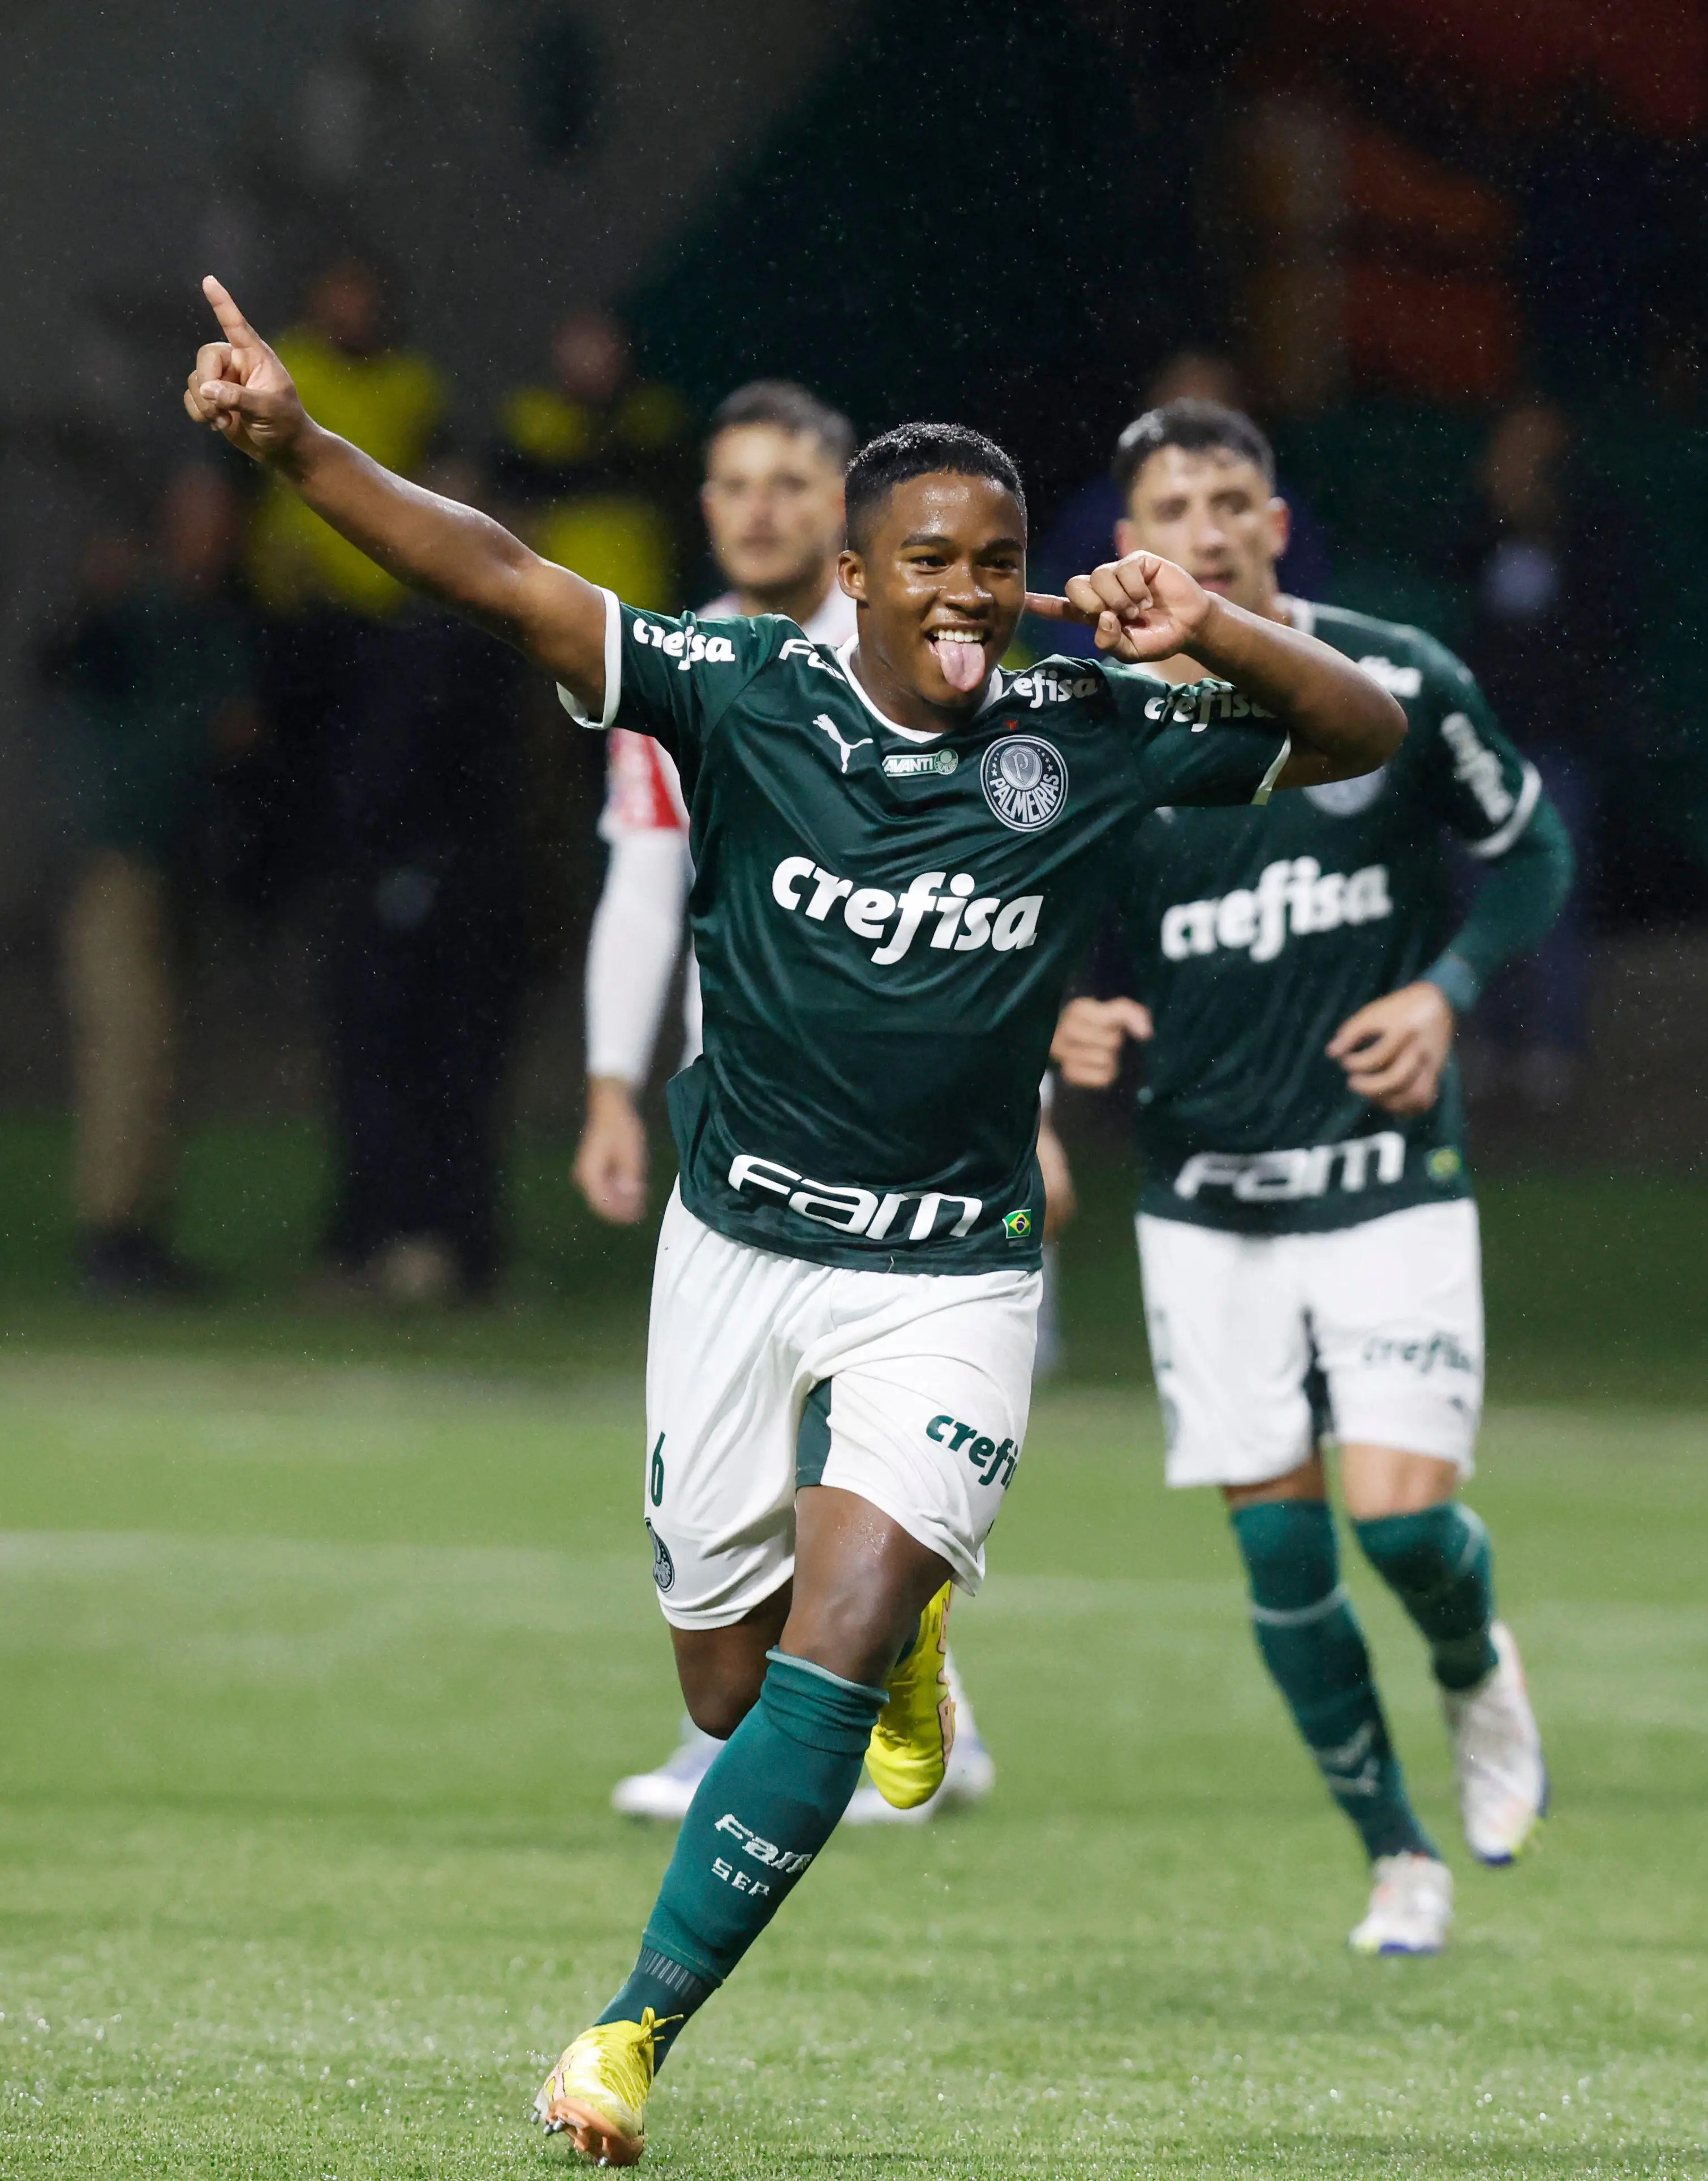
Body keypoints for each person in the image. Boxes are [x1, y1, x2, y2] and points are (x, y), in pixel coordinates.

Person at [184, 276, 1403, 2162]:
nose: (964, 594)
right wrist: (297, 448)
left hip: (953, 1275)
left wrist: (1215, 629)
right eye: (924, 558)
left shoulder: (1088, 724)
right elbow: (496, 570)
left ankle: (626, 2032)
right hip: (739, 1245)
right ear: (847, 569)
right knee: (718, 1667)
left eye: (996, 562)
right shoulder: (742, 692)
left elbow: (1361, 732)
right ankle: (892, 1642)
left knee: (830, 1644)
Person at [1050, 399, 1571, 1957]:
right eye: (1168, 505)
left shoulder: (1393, 676)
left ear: (1274, 526)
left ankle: (1476, 1668)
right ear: (1127, 540)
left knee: (1402, 1524)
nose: (1201, 527)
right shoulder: (1098, 720)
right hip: (1203, 1187)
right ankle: (1391, 1852)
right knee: (1279, 1554)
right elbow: (1030, 915)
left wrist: (1449, 989)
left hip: (1385, 1173)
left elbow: (1530, 851)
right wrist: (1060, 1016)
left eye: (1229, 500)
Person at [577, 380, 999, 1828]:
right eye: (732, 479)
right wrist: (610, 1086)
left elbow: (1010, 899)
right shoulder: (689, 664)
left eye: (787, 479)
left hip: (912, 1130)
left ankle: (870, 1693)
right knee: (744, 1458)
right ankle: (874, 1697)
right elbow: (641, 881)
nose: (758, 504)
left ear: (845, 515)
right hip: (741, 1117)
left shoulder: (935, 657)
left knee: (864, 1430)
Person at [45, 465, 259, 1298]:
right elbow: (61, 658)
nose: (211, 531)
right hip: (117, 862)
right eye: (195, 513)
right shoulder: (139, 606)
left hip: (181, 865)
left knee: (167, 1056)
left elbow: (238, 734)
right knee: (126, 1049)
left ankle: (139, 1232)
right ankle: (109, 1235)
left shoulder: (221, 617)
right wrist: (97, 600)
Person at [493, 305, 694, 611]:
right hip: (554, 602)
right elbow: (505, 502)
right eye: (579, 346)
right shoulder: (532, 422)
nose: (591, 358)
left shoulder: (654, 419)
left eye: (603, 345)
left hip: (645, 603)